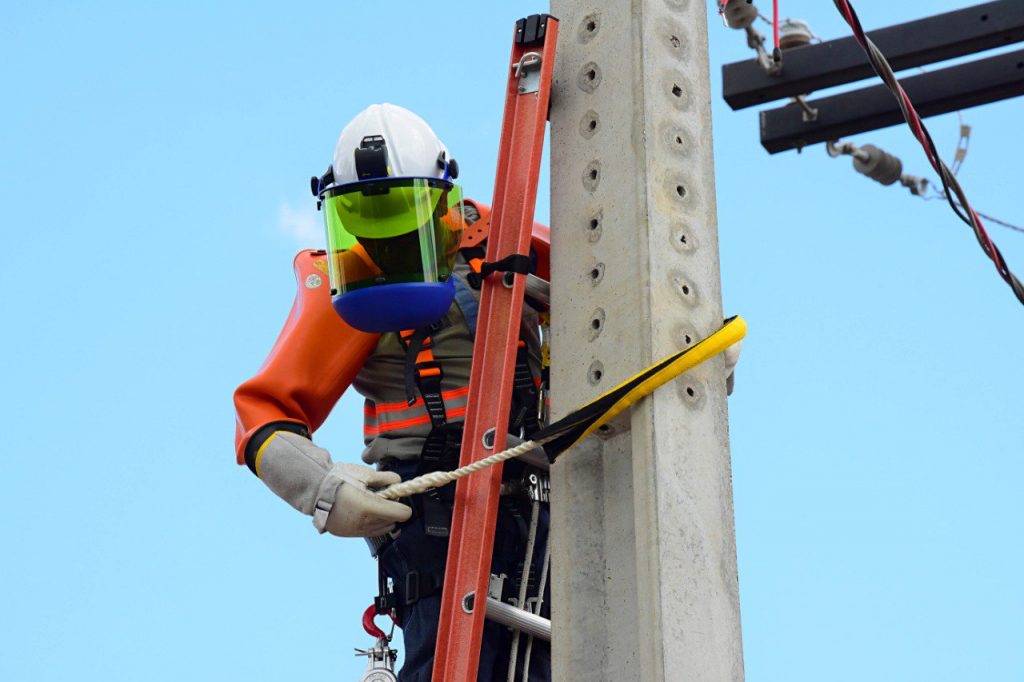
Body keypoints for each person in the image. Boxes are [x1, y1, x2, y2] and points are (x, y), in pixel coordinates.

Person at [233, 103, 553, 681]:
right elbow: (264, 415)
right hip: (435, 526)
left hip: (547, 504)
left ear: (443, 204)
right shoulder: (349, 285)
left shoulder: (504, 242)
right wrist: (325, 487)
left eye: (405, 227)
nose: (391, 252)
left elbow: (617, 277)